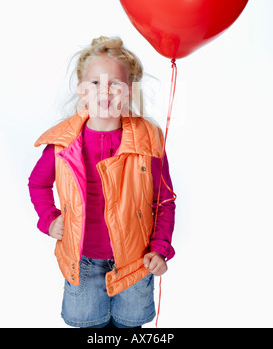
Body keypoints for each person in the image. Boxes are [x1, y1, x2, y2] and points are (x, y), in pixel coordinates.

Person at [28, 35, 176, 328]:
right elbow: (38, 183)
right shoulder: (62, 143)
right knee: (90, 327)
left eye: (115, 84)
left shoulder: (148, 140)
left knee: (129, 326)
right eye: (95, 82)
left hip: (136, 262)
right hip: (82, 263)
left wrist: (159, 247)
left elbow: (164, 200)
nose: (105, 91)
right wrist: (49, 219)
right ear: (82, 90)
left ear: (129, 91)